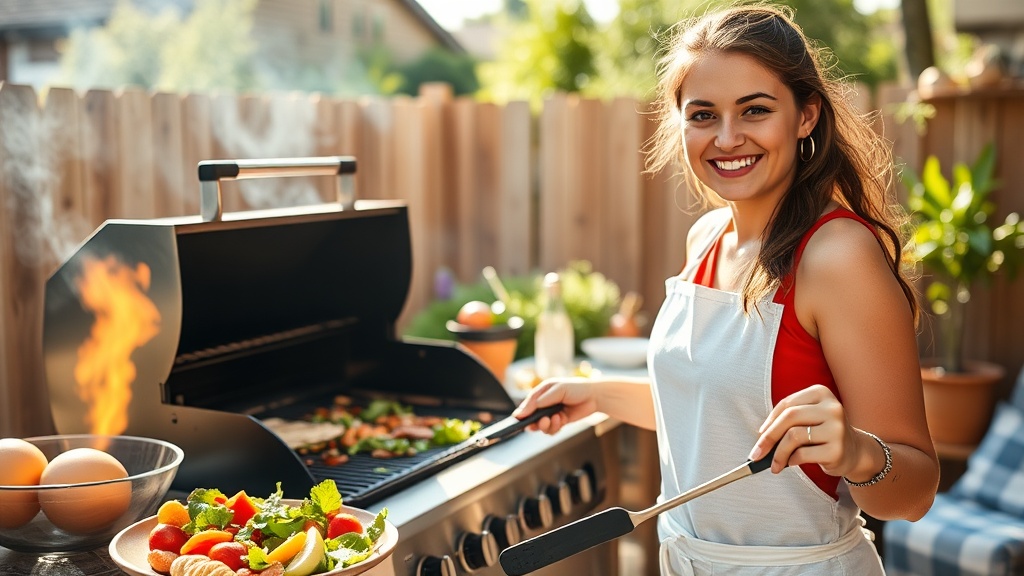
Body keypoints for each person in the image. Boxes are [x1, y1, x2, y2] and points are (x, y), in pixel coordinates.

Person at [512, 4, 940, 575]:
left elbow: (911, 494)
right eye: (703, 115)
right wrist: (602, 395)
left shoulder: (837, 257)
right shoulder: (707, 236)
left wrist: (854, 451)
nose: (728, 137)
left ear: (806, 115)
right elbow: (720, 417)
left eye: (755, 110)